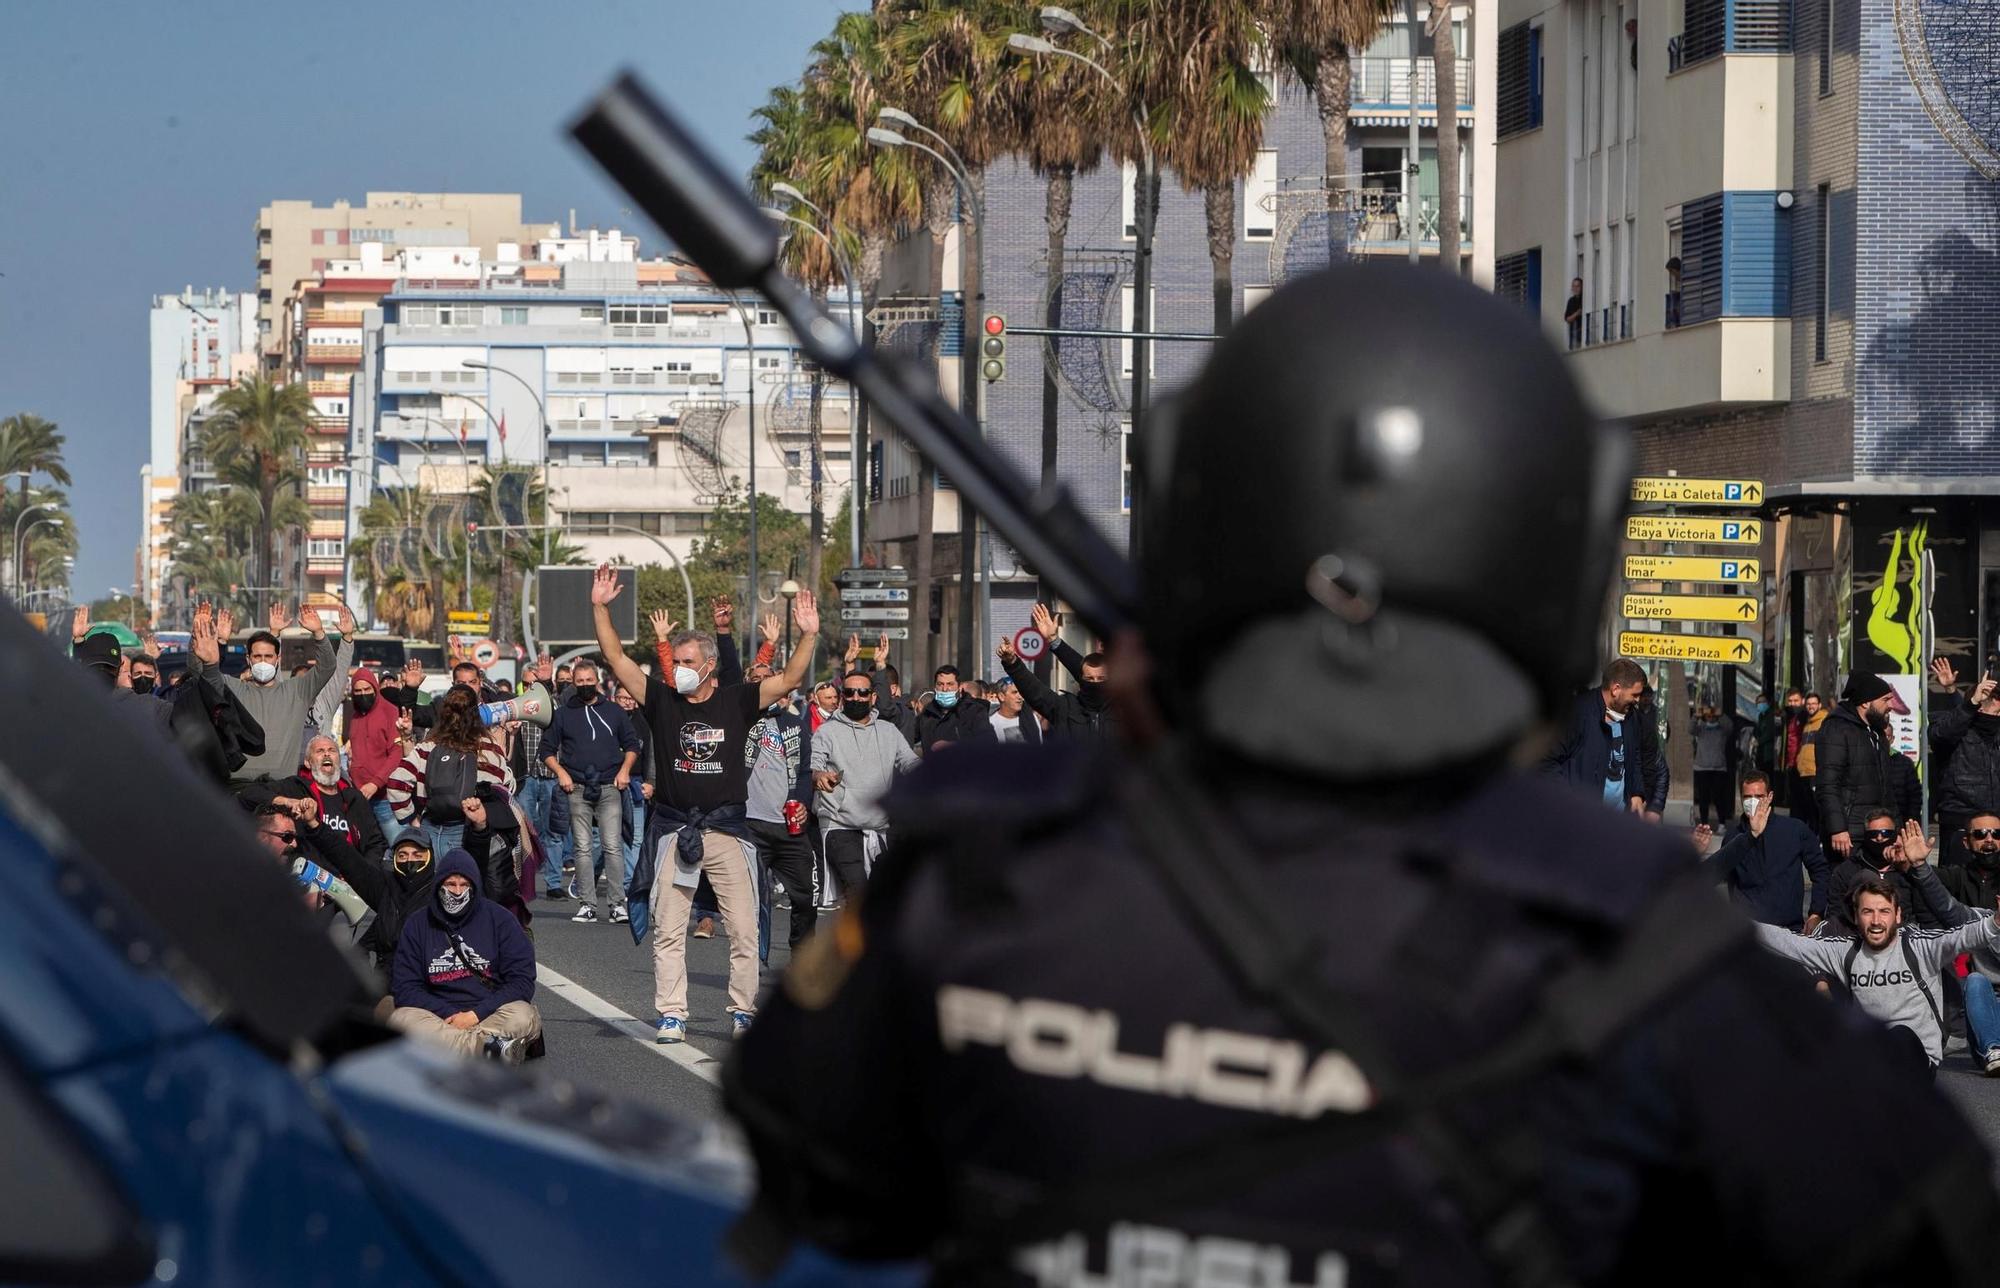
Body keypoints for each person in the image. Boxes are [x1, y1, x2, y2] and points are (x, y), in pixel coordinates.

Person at [725, 262, 2000, 1283]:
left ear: (1186, 515)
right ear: (1555, 568)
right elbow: (1925, 1229)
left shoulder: (985, 873)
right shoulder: (1632, 943)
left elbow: (809, 1175)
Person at [587, 564, 820, 1045]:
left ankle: (742, 1010)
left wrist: (809, 634)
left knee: (744, 930)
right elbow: (615, 657)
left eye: (689, 659)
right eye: (678, 659)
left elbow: (794, 676)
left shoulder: (738, 700)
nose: (680, 667)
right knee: (669, 929)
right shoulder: (662, 699)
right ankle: (672, 1013)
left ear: (709, 665)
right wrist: (599, 606)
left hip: (728, 832)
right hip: (674, 829)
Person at [1750, 861, 2000, 1079]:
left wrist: (1996, 922)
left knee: (1900, 1036)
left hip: (1916, 1061)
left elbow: (1965, 935)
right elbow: (1788, 942)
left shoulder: (1921, 946)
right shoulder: (1844, 951)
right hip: (1868, 1060)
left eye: (1884, 912)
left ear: (1898, 915)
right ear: (1856, 917)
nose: (1877, 921)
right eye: (1868, 912)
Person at [387, 847, 540, 1064]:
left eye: (464, 885)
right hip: (439, 1016)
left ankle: (456, 1047)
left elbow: (522, 981)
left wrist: (474, 1015)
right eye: (450, 884)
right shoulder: (418, 923)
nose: (457, 892)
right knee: (400, 1019)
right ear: (439, 885)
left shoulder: (501, 919)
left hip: (490, 1012)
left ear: (474, 886)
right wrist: (450, 1015)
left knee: (524, 1016)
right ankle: (488, 1049)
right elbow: (405, 987)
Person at [188, 601, 337, 789]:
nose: (263, 661)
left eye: (268, 657)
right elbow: (198, 671)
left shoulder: (297, 691)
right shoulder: (231, 688)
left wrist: (319, 633)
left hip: (282, 789)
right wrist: (197, 632)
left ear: (278, 659)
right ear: (248, 659)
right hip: (239, 789)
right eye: (257, 657)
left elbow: (327, 667)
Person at [542, 658, 640, 925]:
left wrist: (624, 770)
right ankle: (587, 904)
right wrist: (561, 773)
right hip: (576, 787)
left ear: (597, 681)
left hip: (610, 785)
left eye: (589, 681)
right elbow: (547, 750)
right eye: (580, 682)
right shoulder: (562, 713)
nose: (585, 686)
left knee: (612, 846)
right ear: (573, 683)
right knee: (582, 848)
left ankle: (617, 904)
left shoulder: (614, 711)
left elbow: (632, 745)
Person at [811, 672, 919, 901]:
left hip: (879, 827)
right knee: (857, 892)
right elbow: (814, 765)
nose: (856, 697)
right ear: (842, 697)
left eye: (863, 692)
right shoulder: (827, 732)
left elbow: (909, 762)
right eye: (850, 692)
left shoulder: (888, 731)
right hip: (839, 825)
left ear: (873, 697)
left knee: (883, 898)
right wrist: (819, 775)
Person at [383, 685, 514, 857]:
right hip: (466, 831)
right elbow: (507, 789)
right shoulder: (488, 749)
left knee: (432, 882)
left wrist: (412, 819)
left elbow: (396, 784)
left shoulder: (427, 747)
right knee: (460, 883)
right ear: (476, 714)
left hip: (429, 828)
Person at [1694, 771, 1828, 933]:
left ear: (1769, 796)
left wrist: (1816, 912)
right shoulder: (1733, 837)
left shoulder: (1795, 830)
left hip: (1788, 929)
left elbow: (1821, 870)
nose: (1753, 802)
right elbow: (1710, 878)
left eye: (1759, 796)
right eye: (1747, 797)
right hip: (1746, 931)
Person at [1929, 814, 2000, 1073]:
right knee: (1976, 982)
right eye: (1980, 835)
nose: (1989, 840)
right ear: (1967, 842)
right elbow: (1937, 896)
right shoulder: (1958, 878)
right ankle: (1993, 1050)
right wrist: (1913, 865)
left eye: (1996, 834)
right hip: (1984, 1001)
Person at [1821, 808, 1953, 936]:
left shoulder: (1908, 871)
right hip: (1858, 938)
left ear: (1895, 835)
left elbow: (1927, 916)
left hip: (1904, 939)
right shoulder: (1847, 870)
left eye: (1885, 833)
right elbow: (1835, 914)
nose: (1879, 838)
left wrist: (1910, 866)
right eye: (1873, 834)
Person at [996, 603, 1114, 743]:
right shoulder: (1065, 708)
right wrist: (1013, 663)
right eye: (1090, 679)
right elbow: (1035, 691)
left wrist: (1055, 642)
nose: (1095, 683)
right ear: (1081, 680)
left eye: (1101, 679)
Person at [1542, 658, 1649, 813]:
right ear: (1616, 689)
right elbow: (1546, 762)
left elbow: (1635, 756)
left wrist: (1637, 793)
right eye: (1635, 694)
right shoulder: (1578, 713)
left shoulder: (1631, 717)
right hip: (1581, 821)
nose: (1638, 700)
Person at [1817, 673, 1905, 858]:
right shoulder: (1837, 729)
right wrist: (1838, 828)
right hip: (1849, 835)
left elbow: (1887, 789)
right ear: (1865, 703)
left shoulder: (1876, 733)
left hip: (1878, 832)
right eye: (1885, 700)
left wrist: (1896, 830)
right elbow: (1828, 785)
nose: (1890, 705)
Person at [1928, 657, 2000, 868]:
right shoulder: (1954, 732)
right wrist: (1969, 701)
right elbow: (1945, 732)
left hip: (1994, 823)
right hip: (1960, 822)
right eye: (1996, 713)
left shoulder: (1995, 736)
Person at [290, 733, 386, 865]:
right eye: (320, 751)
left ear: (339, 760)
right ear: (308, 762)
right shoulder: (296, 789)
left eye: (332, 750)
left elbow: (375, 843)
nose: (326, 754)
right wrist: (287, 801)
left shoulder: (354, 797)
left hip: (352, 877)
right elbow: (257, 792)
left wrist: (364, 873)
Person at [343, 666, 405, 845]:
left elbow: (396, 753)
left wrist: (375, 783)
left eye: (367, 690)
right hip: (360, 796)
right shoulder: (355, 715)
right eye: (358, 691)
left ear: (375, 689)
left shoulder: (390, 711)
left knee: (398, 845)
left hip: (384, 798)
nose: (363, 694)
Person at [912, 664, 995, 752]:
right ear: (934, 687)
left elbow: (988, 745)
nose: (945, 689)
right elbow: (908, 737)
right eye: (940, 684)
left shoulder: (974, 711)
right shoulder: (927, 714)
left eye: (950, 684)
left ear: (959, 688)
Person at [1691, 704, 1733, 826]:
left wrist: (1720, 714)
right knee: (1703, 798)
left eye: (1712, 715)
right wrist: (1696, 715)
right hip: (1701, 767)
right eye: (1708, 715)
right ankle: (1704, 823)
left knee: (1719, 798)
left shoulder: (1722, 729)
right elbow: (1690, 729)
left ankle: (1722, 823)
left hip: (1719, 768)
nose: (1710, 717)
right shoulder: (1701, 728)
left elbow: (1730, 726)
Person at [1792, 691, 1827, 835]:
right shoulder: (1807, 723)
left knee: (1817, 807)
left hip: (1815, 771)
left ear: (1819, 705)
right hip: (1805, 771)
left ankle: (1819, 835)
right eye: (1808, 704)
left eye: (1813, 704)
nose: (1811, 706)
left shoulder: (1824, 721)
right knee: (1809, 808)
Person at [985, 676, 1041, 745]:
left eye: (1021, 692)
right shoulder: (990, 723)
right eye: (1014, 692)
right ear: (1001, 696)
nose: (1020, 697)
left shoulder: (1031, 718)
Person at [1564, 275, 1584, 347]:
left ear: (1582, 287)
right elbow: (1567, 318)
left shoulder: (1584, 299)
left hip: (1584, 332)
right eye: (1574, 286)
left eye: (1578, 286)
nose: (1575, 289)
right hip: (1575, 333)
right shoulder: (1571, 301)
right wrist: (1576, 314)